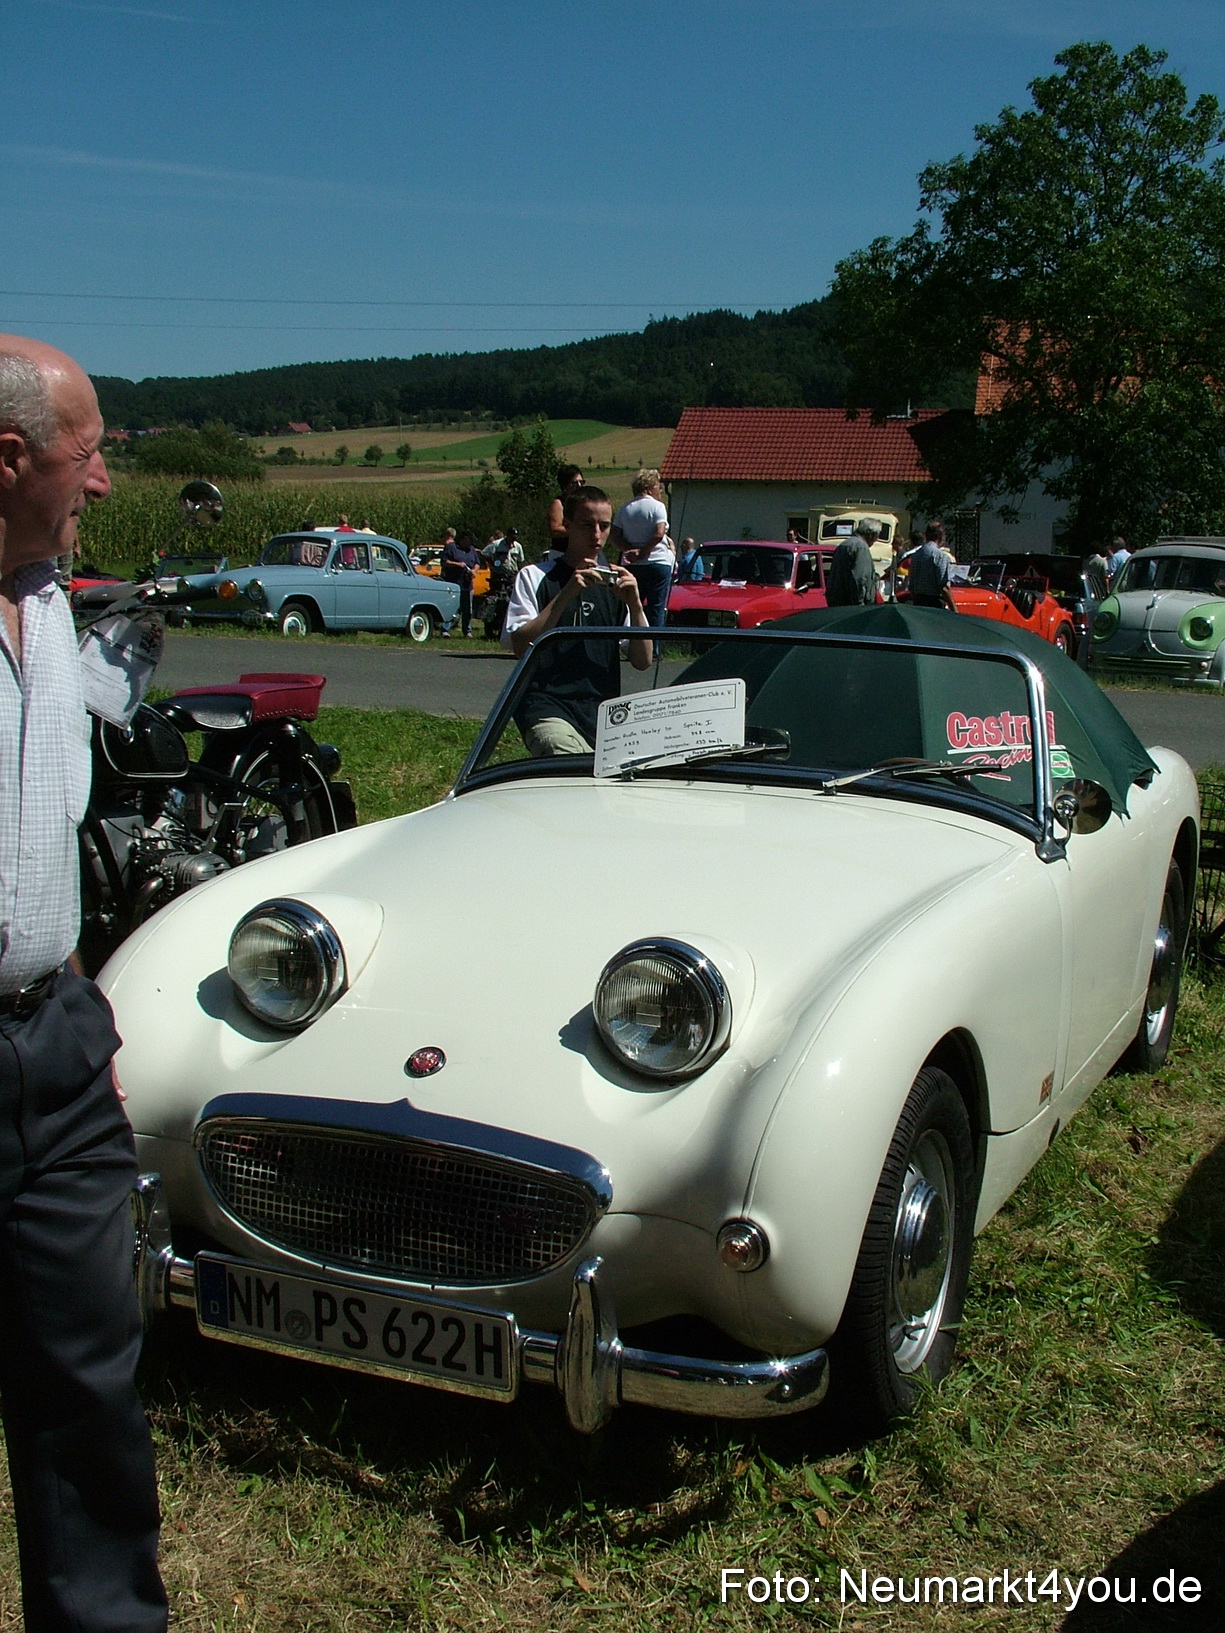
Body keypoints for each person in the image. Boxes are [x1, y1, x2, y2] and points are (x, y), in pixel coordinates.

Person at [0, 337, 167, 1631]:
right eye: (87, 449)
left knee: (87, 1391)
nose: (103, 479)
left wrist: (75, 1008)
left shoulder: (51, 605)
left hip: (53, 1045)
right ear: (10, 460)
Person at [502, 486, 651, 755]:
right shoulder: (535, 577)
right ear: (567, 526)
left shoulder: (617, 586)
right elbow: (521, 647)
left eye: (604, 526)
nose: (596, 535)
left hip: (603, 715)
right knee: (567, 758)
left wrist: (635, 606)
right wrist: (566, 594)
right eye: (587, 525)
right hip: (547, 705)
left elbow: (643, 661)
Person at [611, 468, 674, 630]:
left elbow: (615, 535)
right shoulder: (658, 507)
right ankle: (654, 649)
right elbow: (659, 533)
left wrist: (630, 550)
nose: (660, 490)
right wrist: (644, 551)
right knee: (656, 608)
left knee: (632, 607)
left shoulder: (625, 509)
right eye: (657, 486)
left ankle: (632, 643)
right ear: (649, 487)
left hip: (632, 565)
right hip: (657, 562)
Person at [825, 519, 878, 606]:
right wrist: (859, 602)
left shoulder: (844, 544)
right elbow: (860, 578)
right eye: (877, 536)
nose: (876, 540)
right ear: (870, 534)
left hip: (837, 601)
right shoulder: (861, 547)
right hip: (851, 604)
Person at [440, 528, 481, 636]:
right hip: (453, 583)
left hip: (467, 584)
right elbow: (444, 562)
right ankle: (445, 629)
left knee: (467, 609)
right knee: (451, 607)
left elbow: (477, 563)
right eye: (470, 540)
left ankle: (467, 630)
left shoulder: (471, 549)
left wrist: (474, 570)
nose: (471, 542)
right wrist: (457, 564)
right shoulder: (451, 547)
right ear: (464, 539)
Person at [908, 522, 954, 608]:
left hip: (918, 602)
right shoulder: (940, 556)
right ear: (941, 537)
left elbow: (911, 585)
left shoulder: (916, 555)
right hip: (934, 603)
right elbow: (943, 587)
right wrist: (954, 610)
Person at [546, 465, 585, 553]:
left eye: (581, 482)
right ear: (565, 486)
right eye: (574, 483)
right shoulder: (558, 504)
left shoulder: (583, 504)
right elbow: (555, 530)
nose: (579, 486)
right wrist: (580, 530)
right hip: (561, 553)